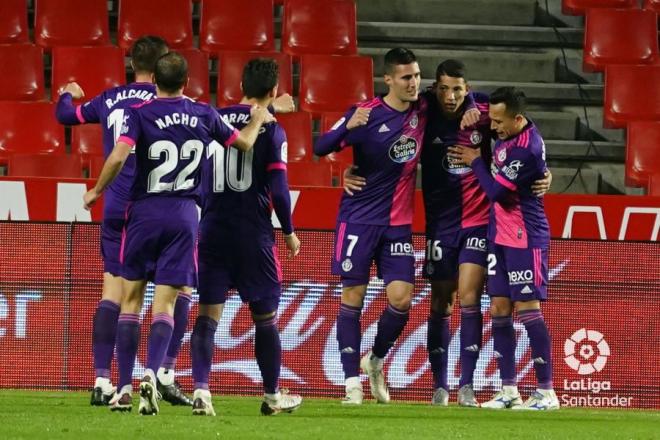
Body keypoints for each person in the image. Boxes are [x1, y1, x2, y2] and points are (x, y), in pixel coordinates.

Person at [345, 60, 552, 407]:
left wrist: (543, 171)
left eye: (459, 89)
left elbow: (520, 125)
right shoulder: (422, 111)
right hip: (439, 222)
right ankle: (440, 385)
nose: (452, 95)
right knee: (442, 302)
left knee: (471, 297)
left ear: (467, 88)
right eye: (444, 88)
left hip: (479, 220)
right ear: (434, 89)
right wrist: (351, 169)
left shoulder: (484, 112)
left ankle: (467, 386)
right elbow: (375, 124)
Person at [82, 52, 273, 414]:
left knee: (132, 300)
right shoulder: (203, 113)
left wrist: (96, 191)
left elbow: (120, 157)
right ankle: (152, 374)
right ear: (187, 82)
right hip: (185, 215)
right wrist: (258, 120)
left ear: (154, 79)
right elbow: (244, 144)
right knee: (166, 303)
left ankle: (123, 388)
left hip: (144, 213)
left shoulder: (140, 114)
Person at [314, 48, 476, 405]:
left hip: (398, 225)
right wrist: (346, 131)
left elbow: (464, 93)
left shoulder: (423, 106)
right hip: (358, 218)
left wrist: (475, 104)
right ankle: (351, 384)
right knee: (352, 298)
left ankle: (374, 359)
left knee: (401, 301)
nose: (414, 83)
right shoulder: (366, 113)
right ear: (388, 80)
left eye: (417, 76)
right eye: (406, 77)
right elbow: (320, 145)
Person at [55, 36, 194, 407]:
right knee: (177, 292)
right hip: (155, 206)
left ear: (132, 64)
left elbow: (66, 117)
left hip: (116, 208)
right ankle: (163, 370)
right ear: (167, 65)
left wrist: (66, 93)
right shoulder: (174, 103)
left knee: (114, 295)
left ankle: (103, 380)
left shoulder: (110, 98)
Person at [190, 58, 302, 417]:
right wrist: (289, 230)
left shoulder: (214, 119)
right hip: (253, 233)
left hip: (212, 229)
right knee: (264, 317)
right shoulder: (273, 129)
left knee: (207, 316)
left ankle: (202, 391)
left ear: (239, 86)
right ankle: (271, 396)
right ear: (272, 91)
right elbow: (280, 190)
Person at [449, 86, 559, 411]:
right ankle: (509, 390)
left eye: (498, 122)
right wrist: (469, 101)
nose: (493, 127)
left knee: (527, 309)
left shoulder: (526, 147)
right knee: (499, 307)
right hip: (499, 235)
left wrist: (474, 161)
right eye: (491, 119)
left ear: (518, 118)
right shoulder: (511, 126)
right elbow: (475, 91)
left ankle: (546, 392)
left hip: (526, 236)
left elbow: (496, 192)